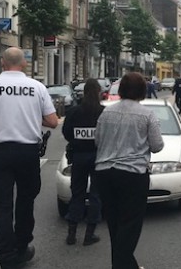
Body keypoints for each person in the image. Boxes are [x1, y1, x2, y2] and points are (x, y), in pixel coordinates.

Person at [0, 47, 58, 269]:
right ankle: (22, 246)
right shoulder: (37, 87)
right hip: (28, 153)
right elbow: (53, 121)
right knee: (26, 201)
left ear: (2, 63)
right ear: (24, 64)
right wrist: (30, 116)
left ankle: (6, 253)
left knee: (2, 205)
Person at [94, 72, 164, 269]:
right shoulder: (147, 114)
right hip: (133, 174)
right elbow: (157, 145)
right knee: (130, 225)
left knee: (114, 223)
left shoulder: (106, 112)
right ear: (143, 91)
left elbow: (97, 141)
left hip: (105, 173)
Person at [62, 78, 104, 246]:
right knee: (96, 195)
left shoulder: (74, 112)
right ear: (98, 92)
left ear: (84, 93)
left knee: (77, 194)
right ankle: (89, 234)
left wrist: (76, 142)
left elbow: (66, 133)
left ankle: (71, 233)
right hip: (99, 156)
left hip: (78, 156)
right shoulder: (103, 112)